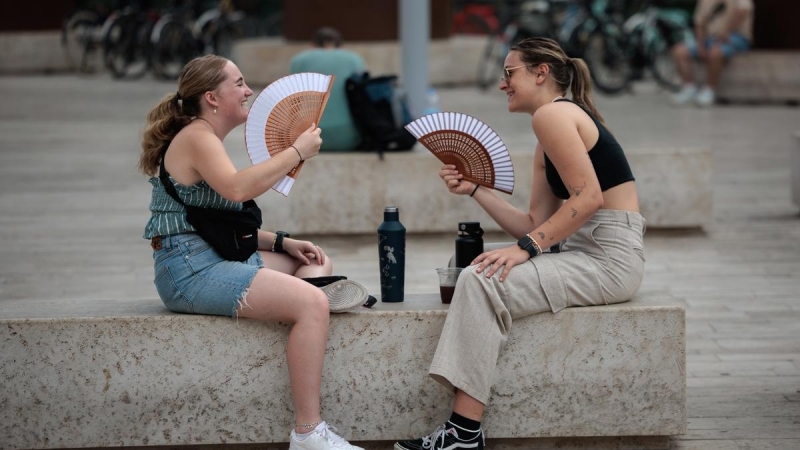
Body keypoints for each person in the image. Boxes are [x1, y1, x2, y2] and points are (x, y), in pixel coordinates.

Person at [395, 37, 645, 450]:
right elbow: (534, 223)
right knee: (482, 269)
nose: (501, 84)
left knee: (483, 278)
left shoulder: (552, 116)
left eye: (509, 73)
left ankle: (463, 433)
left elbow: (588, 199)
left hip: (607, 258)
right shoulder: (552, 125)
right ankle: (462, 432)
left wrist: (526, 248)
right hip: (593, 252)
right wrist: (477, 189)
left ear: (540, 73)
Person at [139, 54, 366, 450]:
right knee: (312, 303)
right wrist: (297, 152)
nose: (249, 92)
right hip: (188, 270)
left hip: (208, 254)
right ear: (212, 97)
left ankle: (302, 316)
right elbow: (238, 190)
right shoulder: (197, 136)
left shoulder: (204, 137)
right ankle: (309, 432)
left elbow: (217, 222)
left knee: (312, 261)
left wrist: (283, 242)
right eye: (239, 84)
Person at [289, 27, 366, 151]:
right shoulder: (354, 59)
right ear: (341, 46)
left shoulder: (299, 60)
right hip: (349, 136)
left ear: (312, 45)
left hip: (307, 138)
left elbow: (293, 102)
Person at [670, 0, 754, 107]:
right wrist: (700, 44)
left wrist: (727, 31)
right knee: (679, 51)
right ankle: (689, 88)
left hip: (736, 37)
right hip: (710, 39)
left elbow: (743, 11)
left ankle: (709, 90)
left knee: (715, 52)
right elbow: (699, 22)